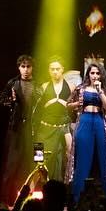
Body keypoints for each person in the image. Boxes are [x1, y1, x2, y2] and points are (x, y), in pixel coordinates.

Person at [67, 61, 106, 208]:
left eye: (98, 73)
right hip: (85, 121)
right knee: (82, 161)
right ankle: (77, 199)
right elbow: (68, 104)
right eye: (92, 73)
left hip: (100, 122)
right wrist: (76, 104)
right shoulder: (81, 88)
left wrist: (100, 91)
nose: (95, 76)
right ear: (88, 74)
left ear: (102, 75)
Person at [0, 54, 38, 206]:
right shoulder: (13, 83)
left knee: (31, 164)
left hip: (32, 128)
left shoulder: (38, 84)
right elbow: (1, 99)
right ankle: (4, 200)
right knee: (11, 165)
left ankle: (31, 201)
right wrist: (11, 100)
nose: (25, 69)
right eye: (23, 66)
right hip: (16, 129)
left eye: (28, 66)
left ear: (32, 68)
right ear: (19, 68)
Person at [32, 55, 76, 191]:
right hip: (44, 128)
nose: (55, 71)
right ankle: (33, 191)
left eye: (57, 69)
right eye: (52, 69)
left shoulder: (71, 86)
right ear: (49, 70)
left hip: (63, 127)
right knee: (38, 158)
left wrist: (69, 105)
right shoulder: (44, 86)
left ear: (62, 69)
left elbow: (77, 106)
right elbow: (35, 108)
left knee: (67, 158)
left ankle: (65, 191)